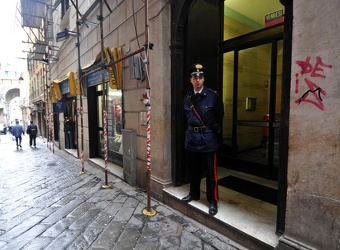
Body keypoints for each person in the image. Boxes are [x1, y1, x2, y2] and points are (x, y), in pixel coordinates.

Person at [182, 63, 224, 216]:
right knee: (193, 170)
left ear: (204, 79)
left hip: (208, 139)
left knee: (211, 173)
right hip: (192, 138)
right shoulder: (187, 99)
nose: (197, 80)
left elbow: (220, 117)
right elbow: (184, 120)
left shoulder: (213, 96)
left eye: (200, 77)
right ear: (190, 80)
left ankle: (213, 201)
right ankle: (194, 194)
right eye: (194, 77)